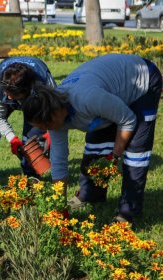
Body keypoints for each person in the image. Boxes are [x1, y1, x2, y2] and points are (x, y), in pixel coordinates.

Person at [22, 54, 162, 223]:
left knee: (136, 152)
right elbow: (59, 162)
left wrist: (115, 155)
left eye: (44, 125)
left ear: (54, 114)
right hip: (109, 93)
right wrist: (59, 206)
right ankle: (91, 195)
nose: (44, 131)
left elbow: (127, 119)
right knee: (97, 145)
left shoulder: (88, 99)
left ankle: (127, 211)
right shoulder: (54, 116)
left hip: (141, 81)